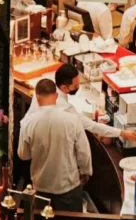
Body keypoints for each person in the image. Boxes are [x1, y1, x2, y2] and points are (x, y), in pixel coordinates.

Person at [17, 78, 92, 212]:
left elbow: (23, 156)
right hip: (69, 187)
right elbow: (84, 152)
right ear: (56, 96)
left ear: (37, 97)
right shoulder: (72, 120)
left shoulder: (28, 123)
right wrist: (86, 171)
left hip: (41, 188)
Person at [24, 63, 136, 142]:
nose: (78, 88)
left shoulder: (45, 89)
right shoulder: (65, 108)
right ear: (64, 88)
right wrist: (122, 133)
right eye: (75, 86)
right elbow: (92, 126)